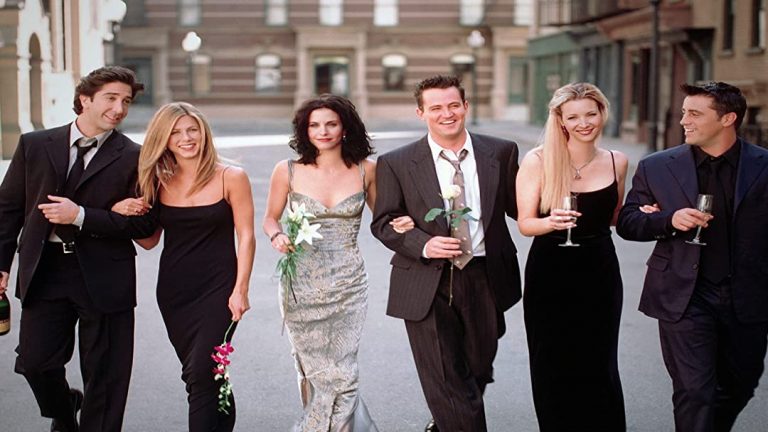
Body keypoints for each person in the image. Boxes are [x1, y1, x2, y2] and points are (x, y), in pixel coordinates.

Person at [0, 66, 154, 432]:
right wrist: (1, 264)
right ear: (85, 99)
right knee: (35, 362)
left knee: (106, 376)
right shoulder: (35, 144)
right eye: (111, 98)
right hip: (45, 269)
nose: (119, 109)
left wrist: (83, 216)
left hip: (106, 273)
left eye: (126, 101)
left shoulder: (136, 156)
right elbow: (7, 209)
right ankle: (65, 405)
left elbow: (145, 227)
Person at [370, 75, 521, 432]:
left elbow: (521, 207)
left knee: (478, 367)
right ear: (421, 113)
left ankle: (446, 423)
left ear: (466, 106)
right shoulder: (396, 162)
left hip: (485, 274)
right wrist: (422, 244)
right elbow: (384, 222)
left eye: (454, 105)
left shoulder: (501, 151)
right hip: (425, 281)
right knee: (444, 375)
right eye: (436, 107)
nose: (447, 114)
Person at [617, 82, 768, 432]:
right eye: (685, 112)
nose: (684, 120)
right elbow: (628, 222)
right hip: (684, 295)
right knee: (694, 391)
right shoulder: (657, 166)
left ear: (728, 118)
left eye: (695, 114)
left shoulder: (763, 165)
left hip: (748, 295)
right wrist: (667, 220)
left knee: (740, 385)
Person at [263, 94, 412, 431]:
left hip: (348, 282)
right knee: (314, 367)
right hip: (300, 283)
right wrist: (277, 236)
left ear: (345, 128)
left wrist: (401, 223)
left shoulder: (366, 170)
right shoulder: (287, 170)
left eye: (331, 124)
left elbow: (382, 219)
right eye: (314, 125)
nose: (323, 131)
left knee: (343, 367)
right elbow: (270, 218)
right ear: (305, 130)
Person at [110, 102, 254, 432]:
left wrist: (241, 289)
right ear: (163, 139)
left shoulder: (231, 177)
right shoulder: (158, 181)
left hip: (220, 288)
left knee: (202, 371)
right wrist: (118, 213)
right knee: (202, 373)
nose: (186, 138)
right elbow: (150, 241)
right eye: (175, 132)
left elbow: (246, 236)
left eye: (192, 130)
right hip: (175, 292)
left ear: (204, 133)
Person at [516, 82, 628, 431]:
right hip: (550, 269)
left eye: (591, 114)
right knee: (553, 361)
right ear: (560, 120)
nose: (584, 123)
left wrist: (646, 212)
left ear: (602, 113)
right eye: (574, 117)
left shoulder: (617, 161)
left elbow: (614, 217)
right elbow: (525, 224)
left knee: (599, 361)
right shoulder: (537, 161)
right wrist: (550, 222)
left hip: (600, 269)